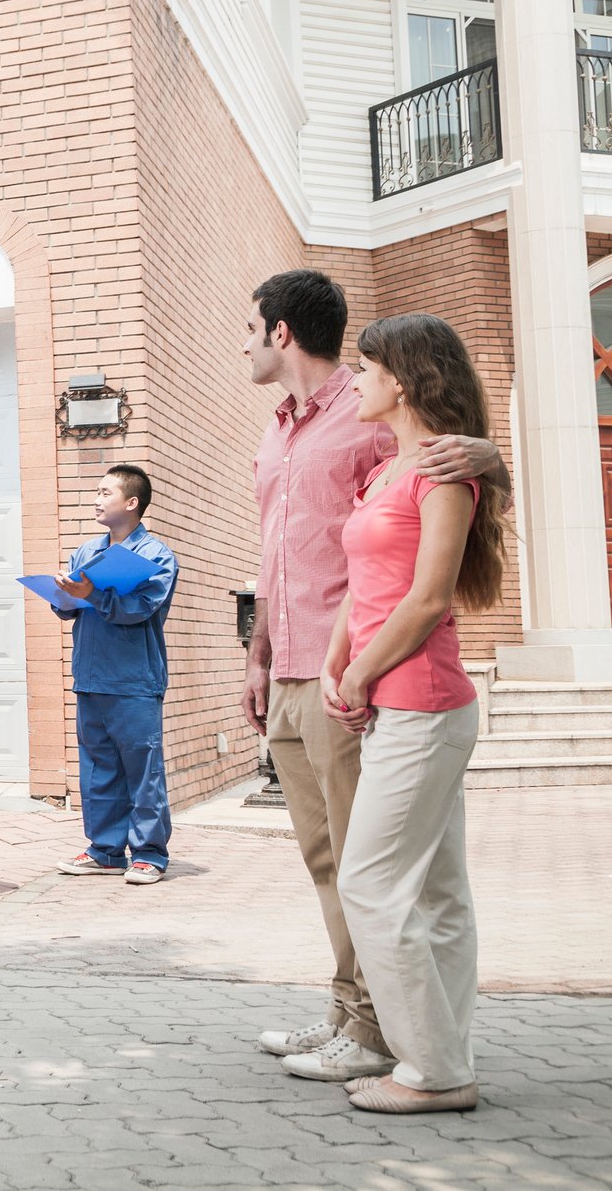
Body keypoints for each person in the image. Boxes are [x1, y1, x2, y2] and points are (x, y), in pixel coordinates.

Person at [240, 269, 507, 1085]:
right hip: (292, 668)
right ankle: (346, 1012)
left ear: (281, 330)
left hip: (363, 675)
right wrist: (257, 653)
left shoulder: (366, 418)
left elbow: (433, 502)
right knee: (328, 862)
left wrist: (493, 458)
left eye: (249, 327)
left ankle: (378, 1032)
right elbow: (277, 552)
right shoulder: (277, 433)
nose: (243, 342)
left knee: (371, 870)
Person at [321, 313, 505, 1115]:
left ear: (398, 378)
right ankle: (444, 1058)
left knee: (368, 882)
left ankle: (430, 1071)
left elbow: (429, 598)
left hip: (423, 702)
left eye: (362, 370)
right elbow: (367, 581)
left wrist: (360, 672)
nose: (353, 383)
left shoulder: (443, 472)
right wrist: (338, 655)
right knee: (434, 893)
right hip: (393, 699)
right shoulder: (383, 472)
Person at [48, 466, 179, 885]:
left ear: (131, 502)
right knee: (98, 768)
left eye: (105, 492)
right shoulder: (86, 553)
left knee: (142, 770)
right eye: (96, 492)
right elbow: (66, 609)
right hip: (90, 677)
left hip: (134, 680)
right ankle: (105, 850)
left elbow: (141, 609)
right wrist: (64, 595)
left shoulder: (157, 556)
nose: (96, 499)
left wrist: (94, 595)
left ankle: (149, 854)